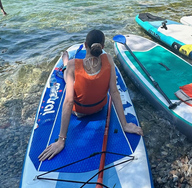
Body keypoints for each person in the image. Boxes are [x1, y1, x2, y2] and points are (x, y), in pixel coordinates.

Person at [38, 30, 144, 161]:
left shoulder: (73, 65)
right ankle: (68, 71)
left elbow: (68, 102)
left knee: (68, 76)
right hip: (99, 108)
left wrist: (61, 140)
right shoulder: (109, 59)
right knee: (80, 77)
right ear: (103, 47)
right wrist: (125, 125)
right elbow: (114, 92)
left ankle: (64, 65)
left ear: (85, 45)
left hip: (79, 113)